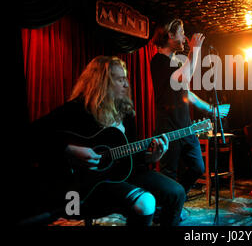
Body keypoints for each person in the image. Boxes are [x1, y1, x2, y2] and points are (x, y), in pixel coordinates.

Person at [26, 56, 186, 226]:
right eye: (120, 80)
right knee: (145, 202)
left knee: (177, 192)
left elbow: (130, 155)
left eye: (126, 79)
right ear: (102, 82)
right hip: (91, 182)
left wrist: (150, 158)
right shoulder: (77, 109)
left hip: (125, 173)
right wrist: (70, 150)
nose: (126, 85)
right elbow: (33, 135)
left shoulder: (126, 113)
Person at [150, 18, 230, 196]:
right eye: (181, 32)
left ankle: (178, 199)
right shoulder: (158, 61)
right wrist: (194, 50)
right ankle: (167, 212)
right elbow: (184, 78)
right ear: (170, 35)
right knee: (168, 174)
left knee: (197, 167)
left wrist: (211, 109)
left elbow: (187, 93)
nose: (185, 37)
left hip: (185, 126)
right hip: (168, 128)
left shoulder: (176, 63)